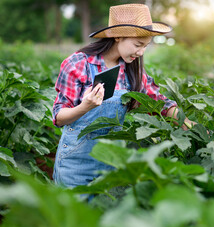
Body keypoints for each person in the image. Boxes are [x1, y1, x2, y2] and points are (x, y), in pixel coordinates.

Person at [52, 3, 196, 189]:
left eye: (145, 46)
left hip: (113, 163)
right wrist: (85, 107)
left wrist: (189, 124)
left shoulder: (132, 70)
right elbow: (59, 117)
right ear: (118, 36)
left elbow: (160, 103)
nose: (141, 52)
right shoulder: (78, 64)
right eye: (137, 45)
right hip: (77, 163)